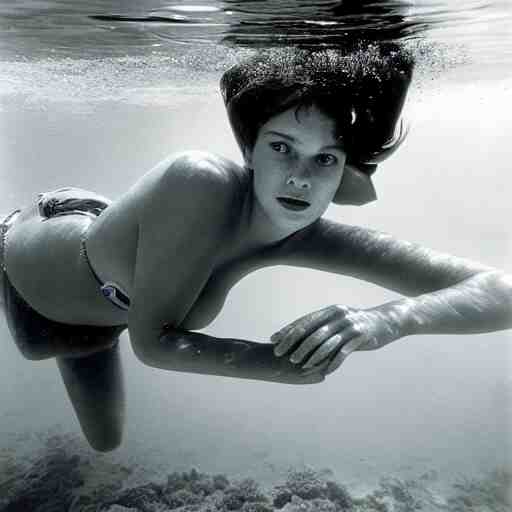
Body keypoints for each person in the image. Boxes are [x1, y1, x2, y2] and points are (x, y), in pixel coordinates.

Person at [1, 45, 511, 452]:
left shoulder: (308, 232)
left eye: (325, 159)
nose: (299, 178)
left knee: (105, 444)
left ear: (347, 174)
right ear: (249, 150)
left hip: (97, 314)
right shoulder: (198, 180)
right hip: (27, 257)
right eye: (281, 147)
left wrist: (389, 320)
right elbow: (153, 344)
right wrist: (283, 367)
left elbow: (502, 290)